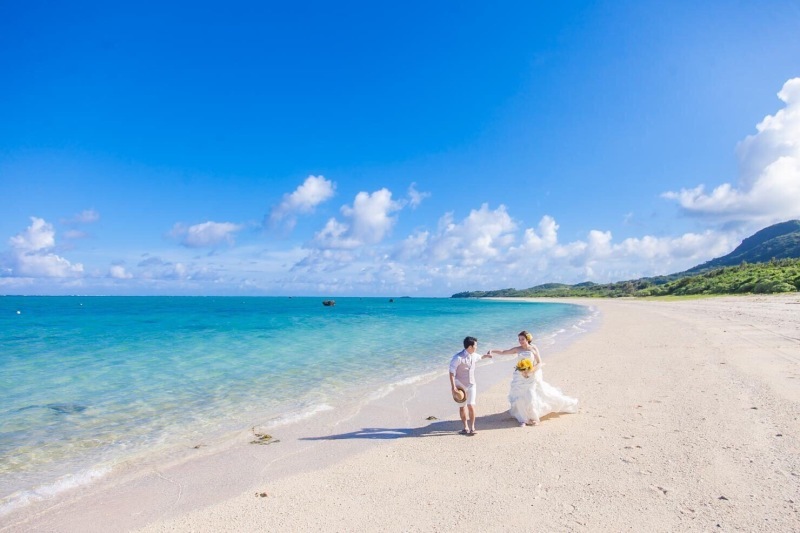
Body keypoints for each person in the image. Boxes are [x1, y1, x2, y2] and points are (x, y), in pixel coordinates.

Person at [488, 330, 578, 426]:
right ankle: (523, 418)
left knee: (531, 396)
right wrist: (492, 351)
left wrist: (530, 371)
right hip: (519, 376)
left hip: (532, 375)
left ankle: (533, 417)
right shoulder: (517, 349)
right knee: (520, 397)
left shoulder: (533, 348)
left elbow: (539, 362)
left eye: (522, 339)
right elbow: (504, 352)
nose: (520, 341)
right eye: (519, 339)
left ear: (527, 339)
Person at [449, 336, 491, 435]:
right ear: (470, 346)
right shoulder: (458, 357)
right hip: (460, 386)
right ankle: (465, 427)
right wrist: (453, 387)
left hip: (472, 385)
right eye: (476, 345)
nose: (477, 347)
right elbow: (451, 372)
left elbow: (480, 357)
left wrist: (487, 356)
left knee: (471, 405)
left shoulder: (474, 355)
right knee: (462, 407)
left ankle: (472, 428)